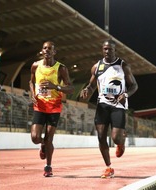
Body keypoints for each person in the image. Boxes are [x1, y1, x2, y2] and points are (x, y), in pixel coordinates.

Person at [80, 39, 138, 178]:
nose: (107, 51)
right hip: (103, 105)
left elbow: (134, 85)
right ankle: (108, 167)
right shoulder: (97, 67)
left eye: (110, 49)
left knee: (116, 138)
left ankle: (121, 142)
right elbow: (92, 85)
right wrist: (87, 89)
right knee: (101, 137)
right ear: (102, 50)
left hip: (118, 105)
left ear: (114, 50)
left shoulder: (123, 66)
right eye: (105, 49)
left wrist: (125, 94)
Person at [29, 41, 74, 177]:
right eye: (44, 48)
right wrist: (32, 94)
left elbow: (71, 88)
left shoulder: (61, 68)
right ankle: (42, 144)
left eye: (50, 49)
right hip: (40, 105)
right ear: (42, 51)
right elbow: (31, 81)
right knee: (35, 137)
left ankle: (48, 166)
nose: (47, 50)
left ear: (54, 52)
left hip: (54, 107)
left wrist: (56, 87)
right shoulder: (35, 65)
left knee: (49, 138)